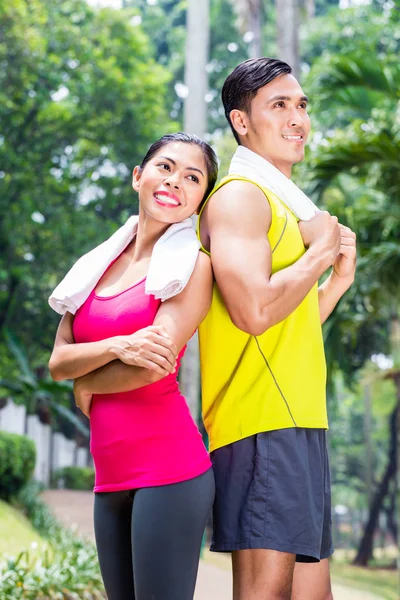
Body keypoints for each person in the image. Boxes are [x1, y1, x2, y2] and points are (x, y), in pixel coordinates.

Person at [197, 58, 357, 600]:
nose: (298, 119)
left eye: (302, 105)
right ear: (242, 122)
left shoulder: (286, 206)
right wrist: (318, 253)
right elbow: (253, 312)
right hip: (260, 421)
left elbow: (286, 324)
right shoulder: (241, 197)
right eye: (279, 105)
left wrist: (334, 282)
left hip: (300, 417)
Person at [48, 133, 218, 600]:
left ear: (200, 198)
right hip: (111, 475)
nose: (174, 182)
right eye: (165, 167)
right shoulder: (93, 268)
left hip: (170, 471)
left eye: (192, 177)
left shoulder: (192, 267)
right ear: (138, 176)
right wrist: (116, 348)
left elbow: (153, 366)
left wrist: (88, 382)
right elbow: (58, 363)